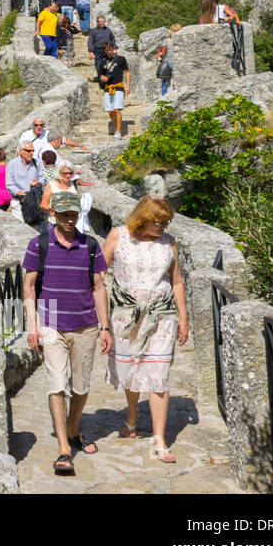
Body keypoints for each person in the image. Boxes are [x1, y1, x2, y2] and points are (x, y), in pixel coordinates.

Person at [22, 191, 112, 475]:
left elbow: (99, 287)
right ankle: (64, 448)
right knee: (57, 385)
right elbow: (28, 288)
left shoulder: (91, 246)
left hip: (86, 326)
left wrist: (106, 327)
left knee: (81, 388)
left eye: (73, 215)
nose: (70, 220)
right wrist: (32, 325)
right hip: (51, 324)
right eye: (64, 215)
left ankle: (73, 429)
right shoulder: (39, 245)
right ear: (54, 216)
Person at [104, 195, 189, 463]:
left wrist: (183, 319)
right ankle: (132, 415)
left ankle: (159, 439)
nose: (164, 226)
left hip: (162, 317)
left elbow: (176, 282)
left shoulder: (169, 242)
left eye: (167, 222)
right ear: (142, 218)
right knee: (131, 369)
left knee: (159, 374)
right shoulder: (118, 236)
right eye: (159, 222)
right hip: (127, 318)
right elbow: (97, 274)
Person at [98, 42, 131, 138]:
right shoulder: (103, 62)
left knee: (117, 109)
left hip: (119, 87)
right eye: (107, 50)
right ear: (105, 51)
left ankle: (119, 132)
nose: (109, 52)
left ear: (113, 49)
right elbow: (101, 75)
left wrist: (128, 86)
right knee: (110, 111)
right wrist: (103, 78)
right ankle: (118, 127)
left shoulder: (121, 59)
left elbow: (127, 72)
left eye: (110, 49)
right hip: (108, 88)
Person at [5, 141, 40, 223]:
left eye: (33, 151)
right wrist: (19, 193)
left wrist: (38, 183)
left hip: (34, 201)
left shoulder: (36, 163)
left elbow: (42, 179)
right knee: (20, 228)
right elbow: (9, 184)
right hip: (19, 202)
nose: (31, 153)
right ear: (21, 151)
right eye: (28, 151)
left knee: (34, 228)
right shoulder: (12, 164)